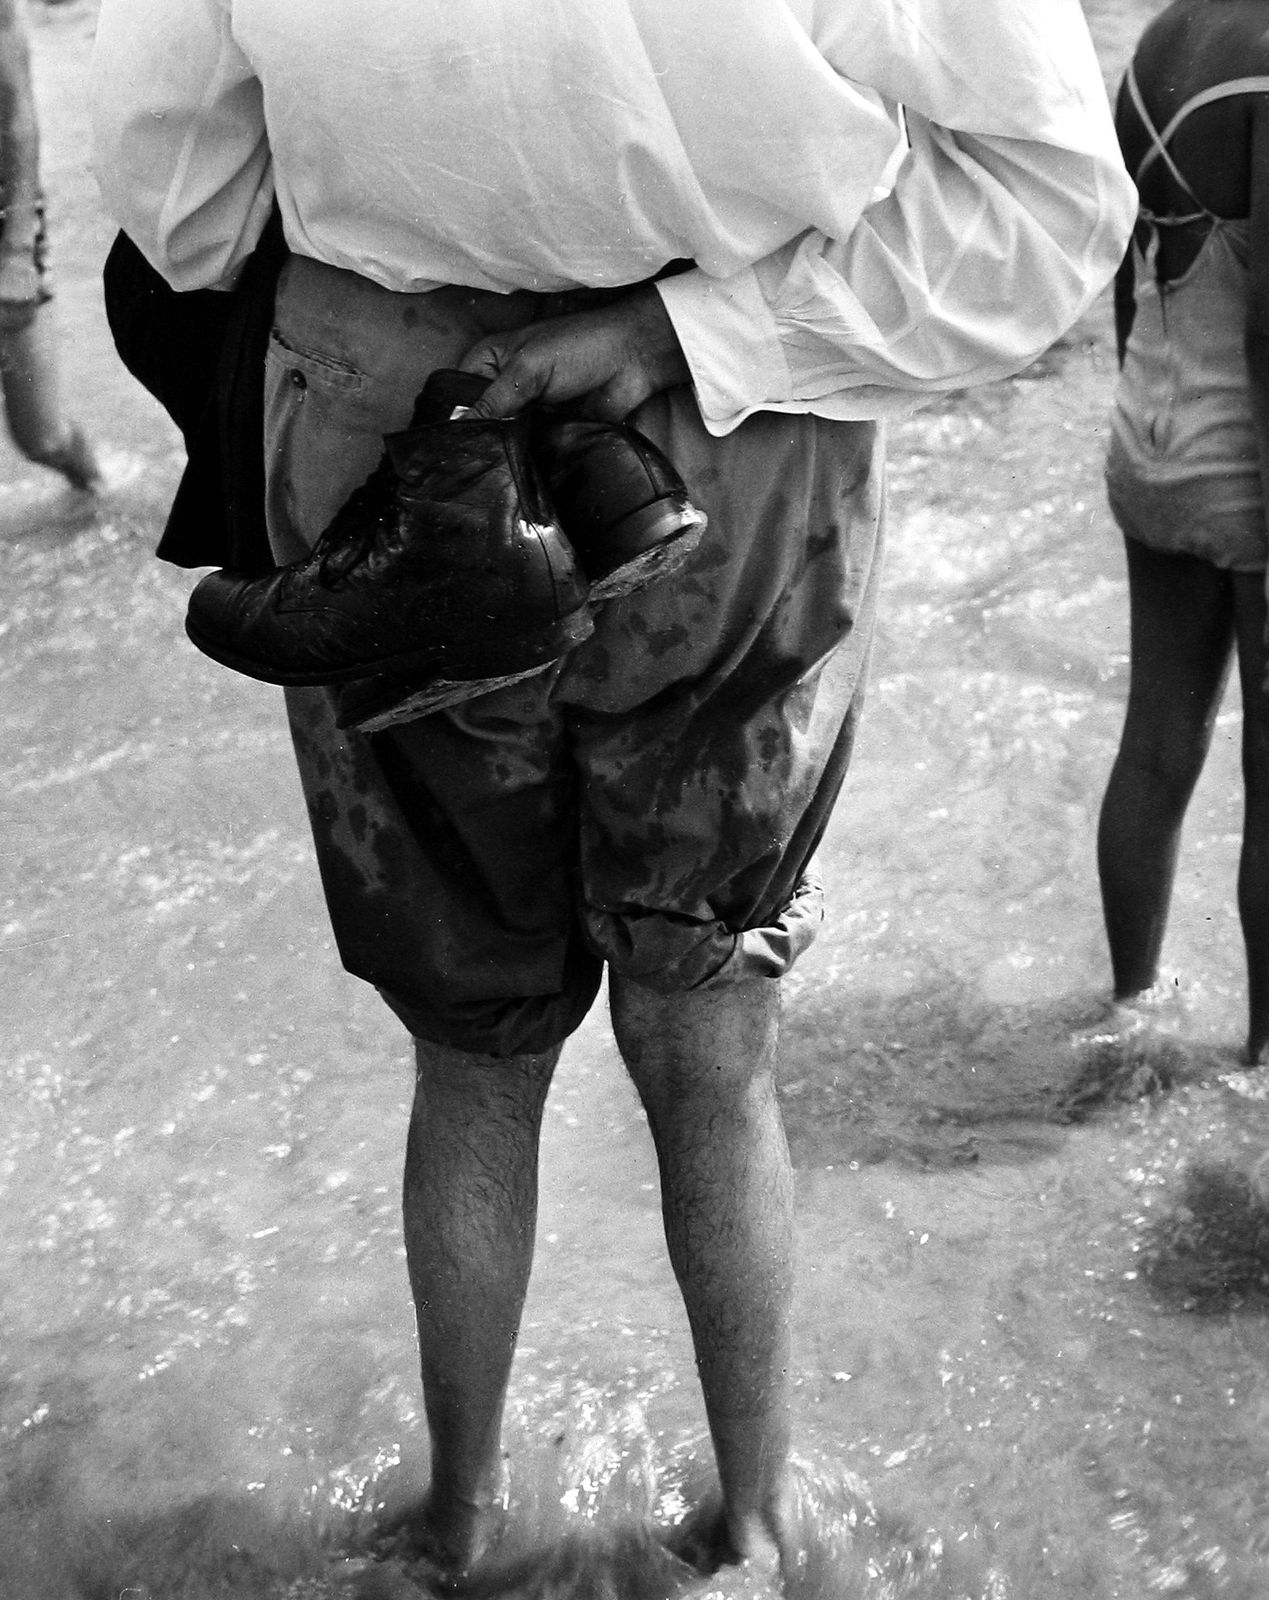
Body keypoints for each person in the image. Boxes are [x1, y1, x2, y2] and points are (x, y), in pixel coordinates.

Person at [89, 0, 1134, 1584]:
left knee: (471, 1054)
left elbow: (179, 192)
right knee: (710, 1041)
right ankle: (754, 1522)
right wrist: (674, 333)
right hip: (737, 416)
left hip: (384, 402)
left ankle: (457, 1524)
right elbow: (1046, 205)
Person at [1084, 0, 1269, 1071]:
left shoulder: (1159, 39)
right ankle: (1258, 1062)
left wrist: (1135, 407)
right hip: (1248, 462)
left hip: (1144, 435)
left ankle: (1128, 1010)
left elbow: (1121, 261)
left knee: (1155, 743)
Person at [0, 0, 99, 490]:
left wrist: (17, 254)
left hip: (5, 228)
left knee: (42, 439)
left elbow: (18, 116)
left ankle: (101, 490)